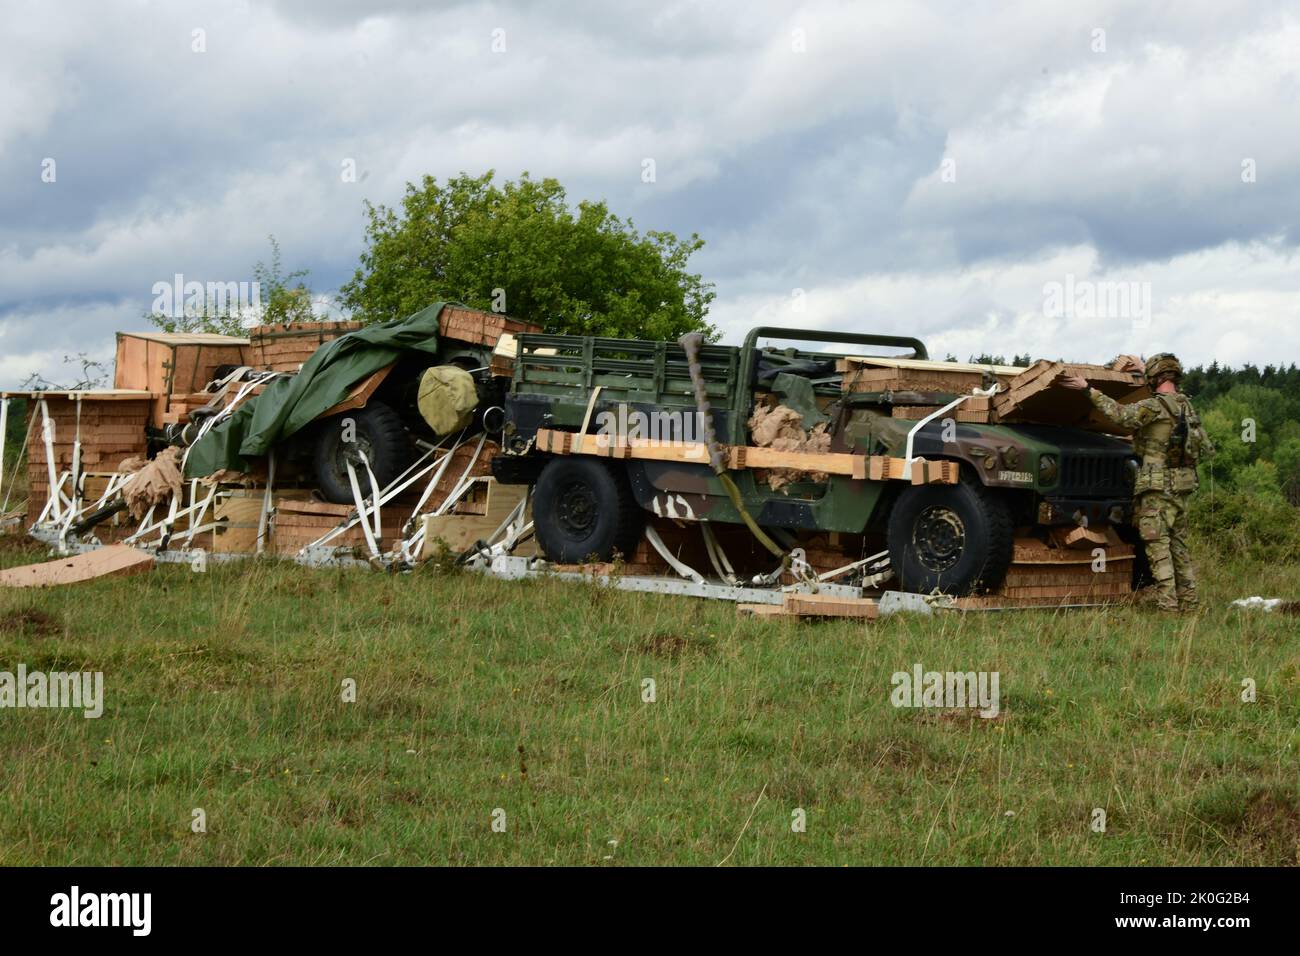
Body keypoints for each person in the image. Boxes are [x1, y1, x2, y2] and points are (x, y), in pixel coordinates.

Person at [1059, 354, 1212, 612]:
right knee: (1179, 547)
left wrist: (1087, 389)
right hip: (1182, 486)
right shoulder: (1186, 406)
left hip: (1157, 488)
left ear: (1154, 379)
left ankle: (1168, 606)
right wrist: (1146, 369)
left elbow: (1121, 416)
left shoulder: (1155, 407)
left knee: (1158, 546)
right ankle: (1189, 602)